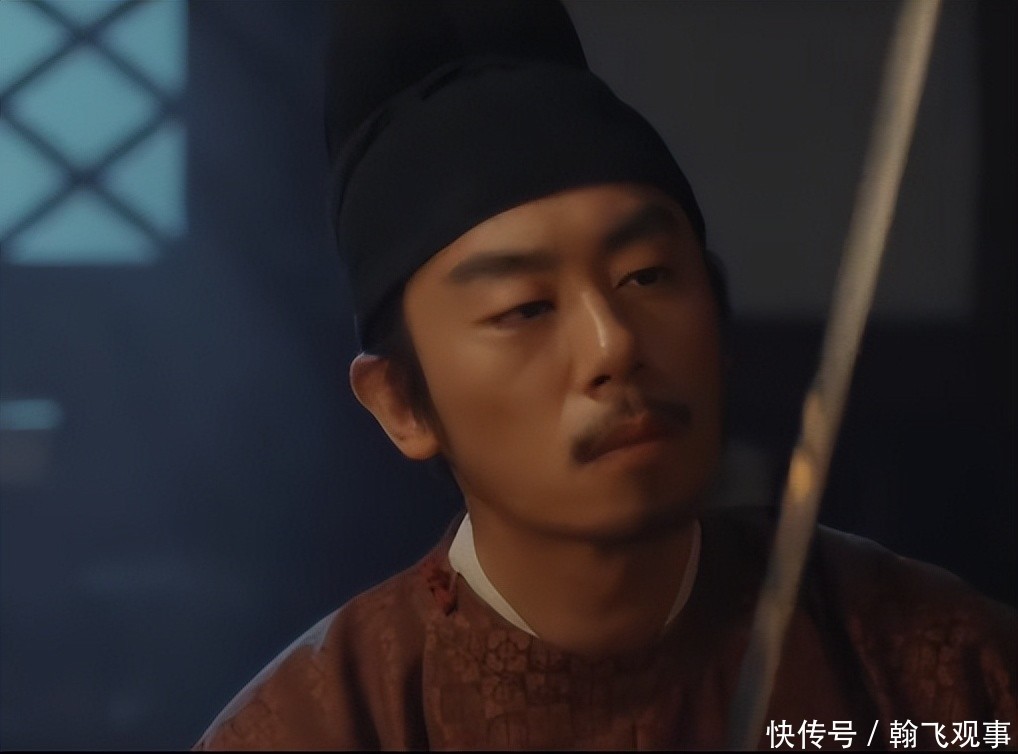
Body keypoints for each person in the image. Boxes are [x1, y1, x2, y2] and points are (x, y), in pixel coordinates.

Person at [195, 2, 1015, 749]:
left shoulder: (938, 668)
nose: (613, 344)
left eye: (647, 277)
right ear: (402, 402)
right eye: (525, 308)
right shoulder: (314, 729)